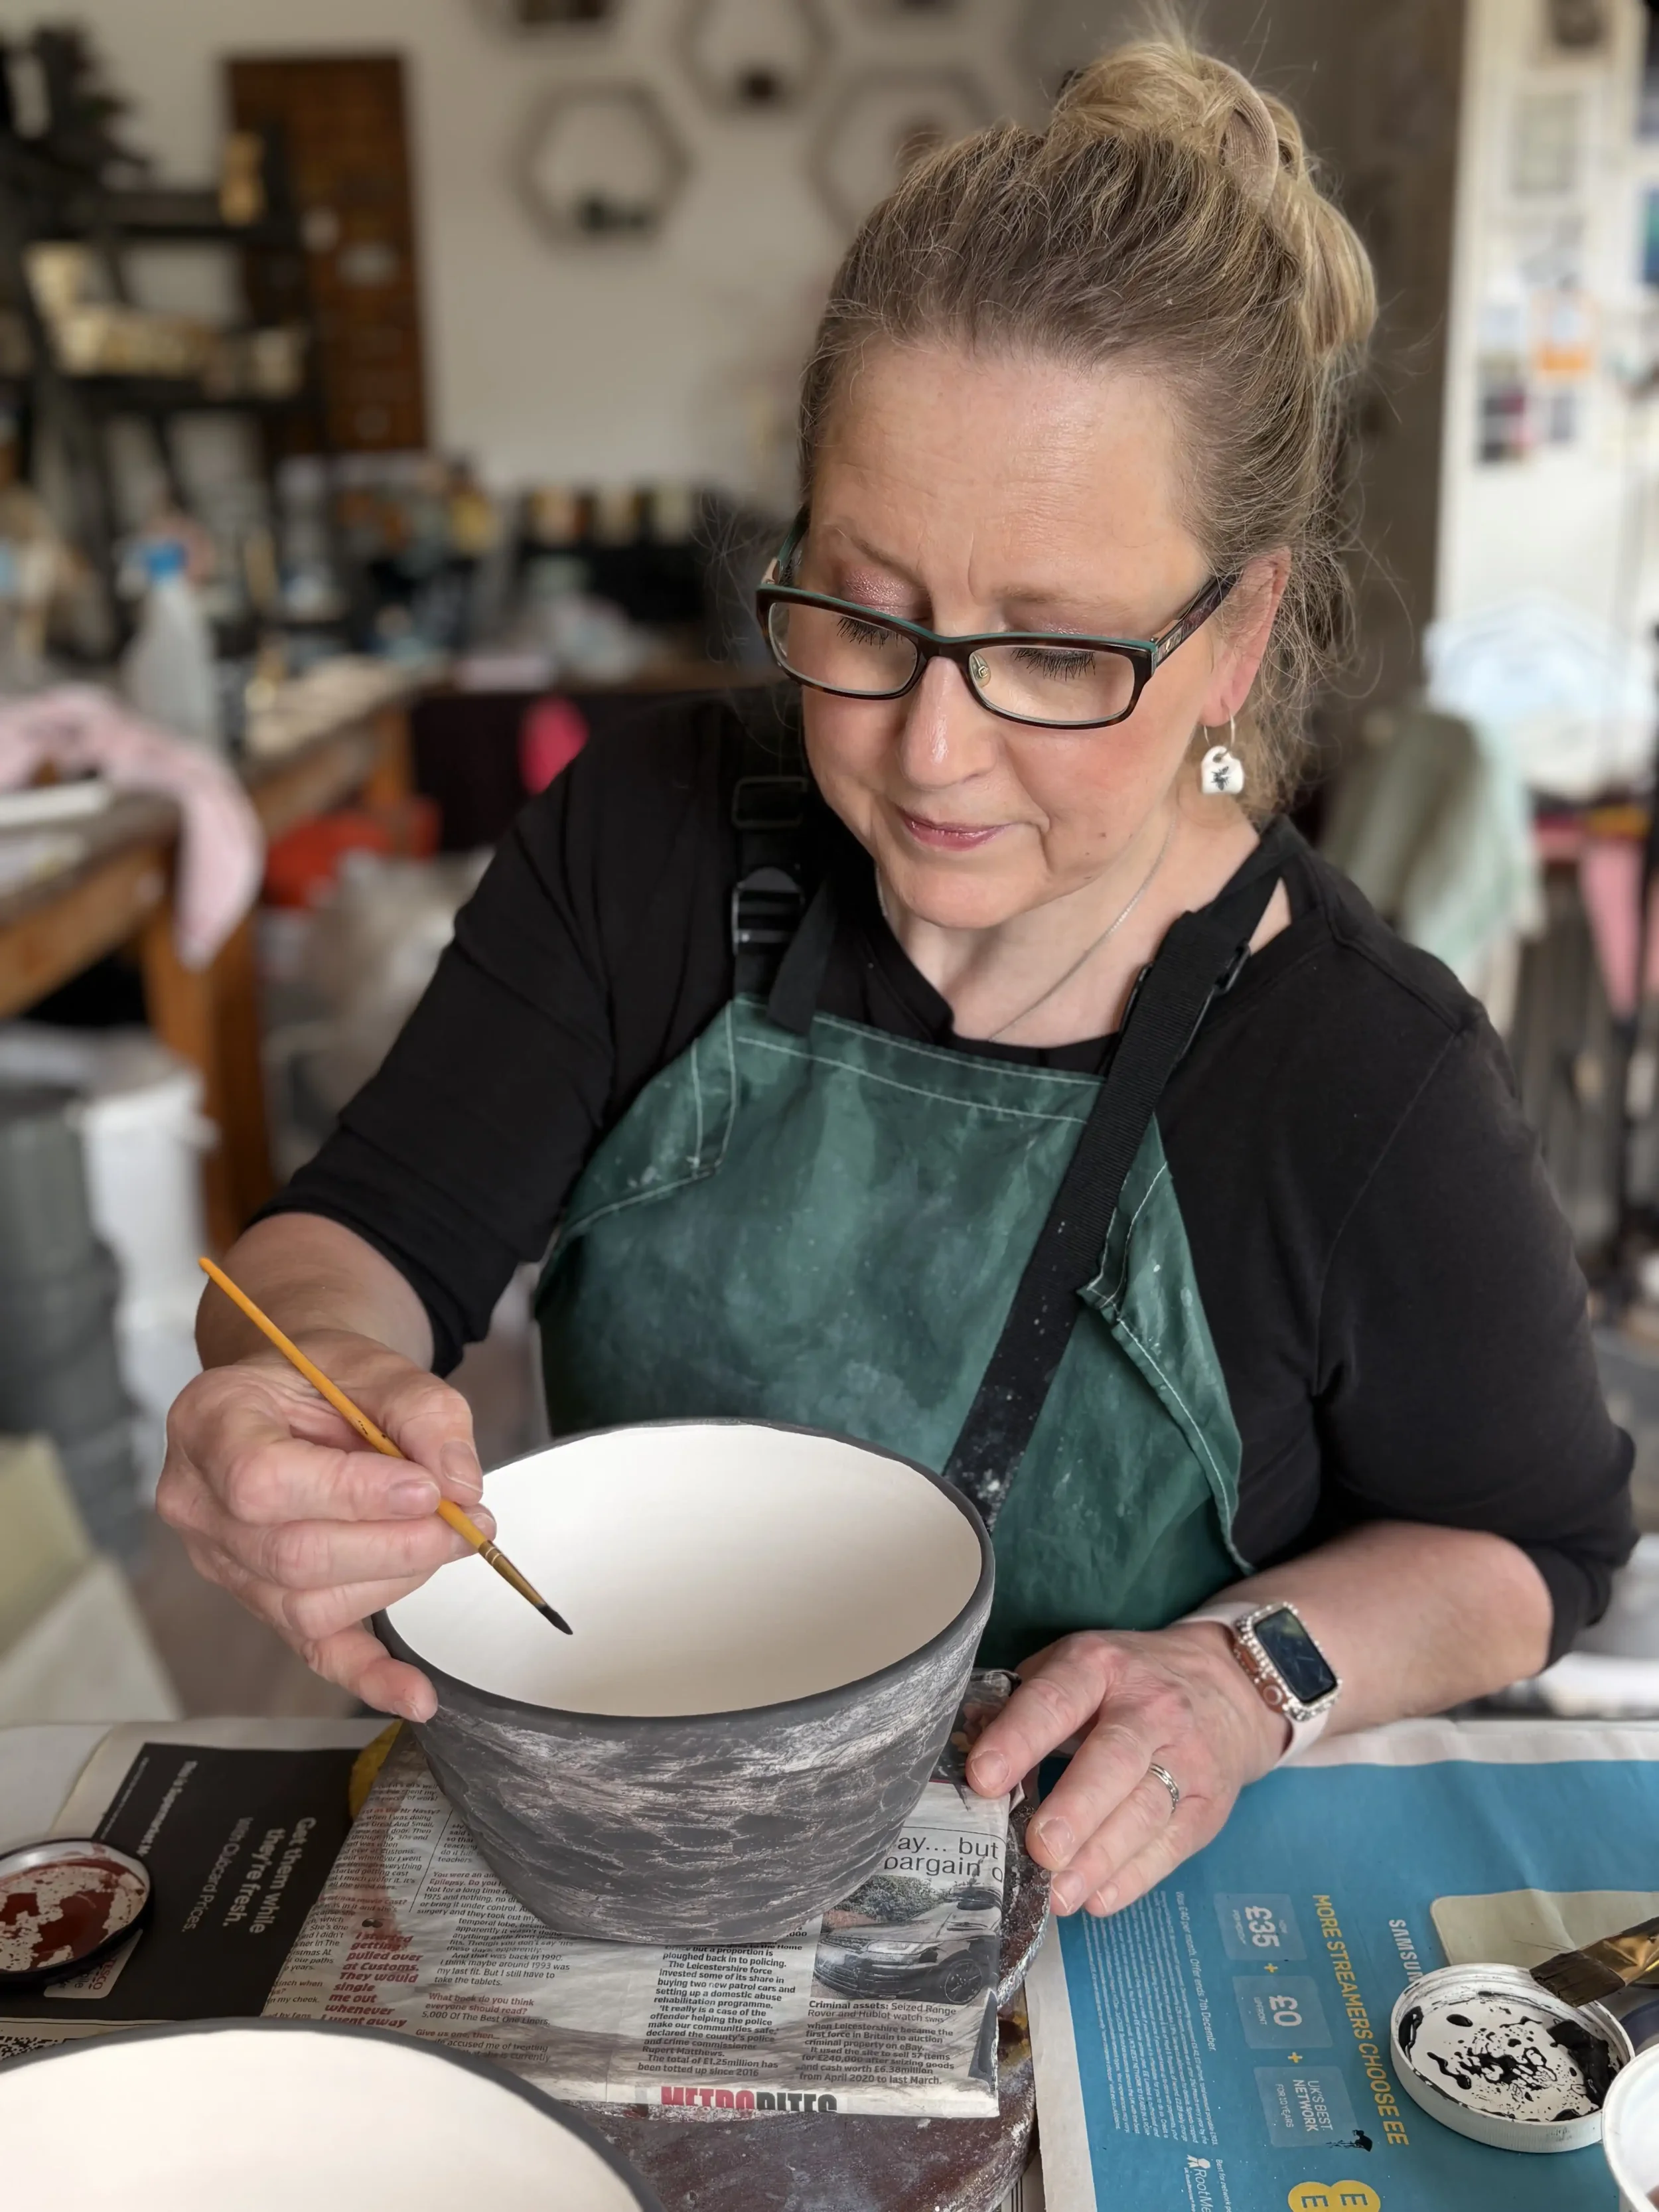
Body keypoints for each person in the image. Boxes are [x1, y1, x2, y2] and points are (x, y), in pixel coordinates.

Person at [161, 37, 1633, 1923]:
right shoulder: (655, 844)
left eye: (1049, 650)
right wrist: (310, 1390)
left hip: (1115, 1918)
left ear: (1235, 632)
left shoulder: (1362, 1068)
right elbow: (348, 1241)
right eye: (861, 612)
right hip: (654, 1864)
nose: (930, 750)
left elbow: (1535, 1540)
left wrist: (1243, 1677)